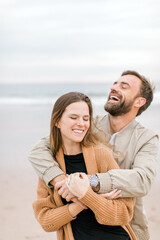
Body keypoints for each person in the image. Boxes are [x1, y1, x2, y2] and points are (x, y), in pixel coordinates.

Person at [29, 70, 159, 240]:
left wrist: (90, 182)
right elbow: (38, 150)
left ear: (139, 101)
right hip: (82, 228)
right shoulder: (86, 124)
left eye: (123, 86)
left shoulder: (146, 138)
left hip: (129, 226)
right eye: (114, 84)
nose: (114, 88)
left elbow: (142, 181)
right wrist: (64, 182)